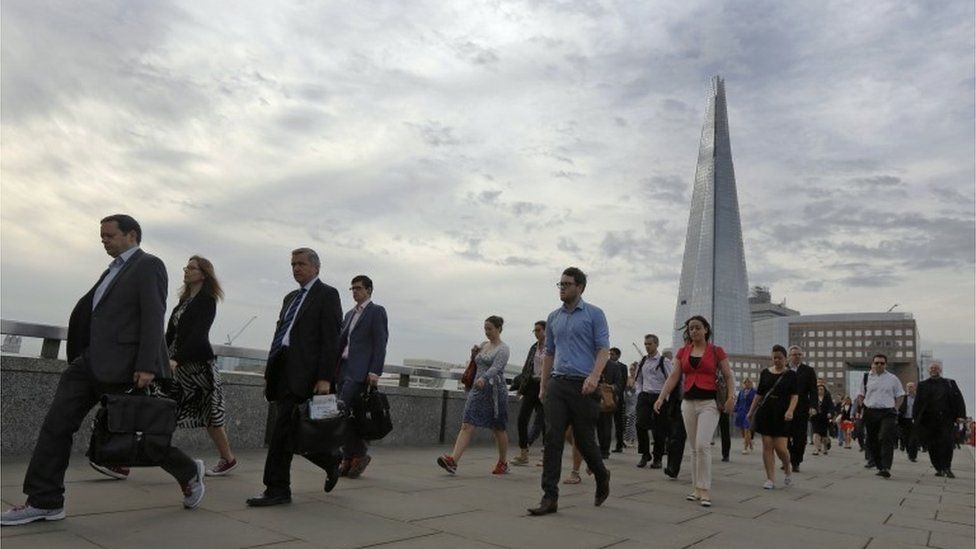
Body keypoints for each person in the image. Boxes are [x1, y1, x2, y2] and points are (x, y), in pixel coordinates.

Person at [2, 215, 205, 526]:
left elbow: (153, 315)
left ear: (131, 235)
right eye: (102, 236)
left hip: (124, 367)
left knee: (135, 434)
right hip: (88, 362)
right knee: (56, 427)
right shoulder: (111, 270)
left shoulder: (148, 265)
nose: (104, 240)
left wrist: (147, 364)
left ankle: (188, 471)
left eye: (110, 235)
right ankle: (45, 500)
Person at [247, 248, 343, 507]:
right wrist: (270, 372)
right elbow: (280, 334)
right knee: (290, 433)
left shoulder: (327, 295)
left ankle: (277, 488)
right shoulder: (290, 297)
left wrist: (324, 378)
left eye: (301, 264)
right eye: (292, 264)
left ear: (315, 267)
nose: (296, 268)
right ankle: (329, 459)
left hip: (307, 375)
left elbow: (331, 340)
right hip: (283, 370)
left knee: (283, 433)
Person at [527, 267, 611, 516]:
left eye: (567, 284)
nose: (562, 287)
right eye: (560, 284)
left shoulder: (595, 314)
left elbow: (603, 349)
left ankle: (602, 474)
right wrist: (544, 385)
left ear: (580, 287)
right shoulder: (553, 317)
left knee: (584, 441)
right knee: (552, 438)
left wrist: (594, 377)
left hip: (585, 386)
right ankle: (549, 497)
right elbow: (550, 353)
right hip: (558, 384)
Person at [654, 316, 734, 507]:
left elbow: (728, 376)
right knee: (693, 448)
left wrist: (732, 397)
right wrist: (661, 397)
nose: (694, 331)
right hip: (688, 402)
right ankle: (696, 489)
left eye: (698, 328)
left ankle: (705, 489)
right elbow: (674, 376)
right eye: (691, 329)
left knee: (702, 445)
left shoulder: (716, 351)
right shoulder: (683, 351)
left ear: (706, 329)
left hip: (709, 403)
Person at [437, 316, 511, 475]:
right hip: (478, 390)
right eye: (485, 329)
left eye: (490, 328)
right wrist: (473, 355)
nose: (487, 332)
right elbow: (477, 363)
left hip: (495, 392)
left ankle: (503, 461)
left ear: (498, 329)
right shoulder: (484, 345)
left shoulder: (503, 349)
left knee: (498, 427)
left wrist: (484, 378)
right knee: (467, 423)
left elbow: (497, 368)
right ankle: (453, 461)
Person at [336, 275, 389, 479]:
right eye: (352, 289)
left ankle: (358, 454)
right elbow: (341, 342)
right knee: (346, 416)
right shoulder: (349, 314)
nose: (355, 292)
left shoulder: (376, 312)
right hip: (342, 369)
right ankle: (350, 458)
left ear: (368, 290)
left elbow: (380, 342)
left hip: (359, 372)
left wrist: (375, 372)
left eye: (358, 288)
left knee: (342, 411)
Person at [747, 345, 798, 489]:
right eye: (774, 357)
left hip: (782, 414)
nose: (777, 360)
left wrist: (790, 410)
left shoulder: (791, 375)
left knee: (781, 448)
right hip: (766, 412)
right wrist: (751, 411)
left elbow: (795, 396)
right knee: (767, 445)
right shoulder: (765, 373)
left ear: (785, 358)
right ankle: (770, 479)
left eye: (780, 358)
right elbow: (759, 395)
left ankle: (787, 467)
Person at [856, 353, 905, 479]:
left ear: (886, 364)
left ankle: (886, 467)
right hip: (870, 412)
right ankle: (879, 465)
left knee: (885, 437)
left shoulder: (893, 378)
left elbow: (900, 394)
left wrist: (896, 408)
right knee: (873, 440)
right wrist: (862, 408)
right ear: (872, 364)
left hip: (887, 412)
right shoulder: (866, 377)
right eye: (876, 362)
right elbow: (861, 394)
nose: (879, 365)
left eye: (882, 363)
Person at [914, 361, 966, 478]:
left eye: (936, 368)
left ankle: (947, 467)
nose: (933, 370)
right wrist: (915, 418)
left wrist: (961, 416)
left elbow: (959, 400)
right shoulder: (922, 385)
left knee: (947, 443)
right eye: (931, 368)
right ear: (928, 370)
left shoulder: (950, 383)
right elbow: (917, 403)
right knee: (933, 445)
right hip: (929, 420)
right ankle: (938, 467)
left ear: (940, 370)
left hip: (946, 419)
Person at [634, 334, 676, 470]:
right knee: (640, 424)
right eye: (645, 344)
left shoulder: (664, 361)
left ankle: (657, 458)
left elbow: (671, 380)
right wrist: (639, 393)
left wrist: (665, 398)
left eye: (649, 344)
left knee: (659, 430)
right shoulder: (643, 361)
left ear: (656, 344)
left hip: (660, 397)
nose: (647, 346)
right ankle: (645, 454)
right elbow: (638, 379)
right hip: (645, 396)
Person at [512, 321, 547, 466]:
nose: (536, 333)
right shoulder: (534, 347)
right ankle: (523, 452)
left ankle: (547, 455)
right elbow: (526, 369)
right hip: (532, 385)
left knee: (546, 422)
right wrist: (521, 389)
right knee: (522, 418)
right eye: (535, 331)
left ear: (546, 331)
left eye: (538, 330)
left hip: (545, 386)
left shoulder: (552, 347)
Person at [786, 346, 817, 473]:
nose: (796, 356)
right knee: (784, 435)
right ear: (789, 356)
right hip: (785, 408)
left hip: (801, 408)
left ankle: (796, 461)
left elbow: (813, 391)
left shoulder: (808, 371)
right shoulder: (784, 369)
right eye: (794, 354)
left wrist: (813, 406)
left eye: (799, 354)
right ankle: (787, 458)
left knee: (800, 437)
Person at [597, 348, 626, 458]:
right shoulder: (592, 363)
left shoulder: (614, 367)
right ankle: (599, 448)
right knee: (598, 427)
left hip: (607, 400)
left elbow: (619, 385)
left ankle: (604, 450)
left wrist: (611, 387)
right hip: (592, 399)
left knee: (605, 425)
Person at [607, 348, 629, 453]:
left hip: (618, 398)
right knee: (606, 421)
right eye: (610, 354)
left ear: (618, 356)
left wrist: (619, 395)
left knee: (618, 422)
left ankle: (619, 444)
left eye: (613, 354)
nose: (610, 356)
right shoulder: (606, 365)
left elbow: (623, 383)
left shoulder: (623, 367)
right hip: (607, 397)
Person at [734, 378, 757, 454]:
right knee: (743, 433)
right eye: (745, 382)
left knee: (747, 430)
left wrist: (753, 412)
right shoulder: (741, 392)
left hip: (749, 413)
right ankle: (750, 443)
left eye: (748, 382)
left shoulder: (754, 392)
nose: (747, 384)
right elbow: (738, 402)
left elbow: (756, 402)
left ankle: (745, 448)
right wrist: (735, 409)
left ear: (751, 383)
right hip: (741, 413)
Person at [810, 383, 834, 456]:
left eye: (821, 389)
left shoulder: (827, 397)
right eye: (818, 389)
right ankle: (816, 449)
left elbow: (831, 406)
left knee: (824, 436)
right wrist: (810, 410)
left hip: (824, 418)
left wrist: (830, 413)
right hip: (815, 417)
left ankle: (825, 448)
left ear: (824, 390)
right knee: (816, 433)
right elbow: (810, 405)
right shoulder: (813, 397)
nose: (820, 391)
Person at [897, 382, 918, 462]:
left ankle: (913, 456)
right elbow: (899, 407)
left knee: (914, 439)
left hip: (915, 420)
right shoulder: (903, 397)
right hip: (905, 420)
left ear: (914, 388)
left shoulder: (917, 398)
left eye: (911, 387)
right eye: (908, 387)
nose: (910, 388)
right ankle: (909, 452)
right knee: (906, 438)